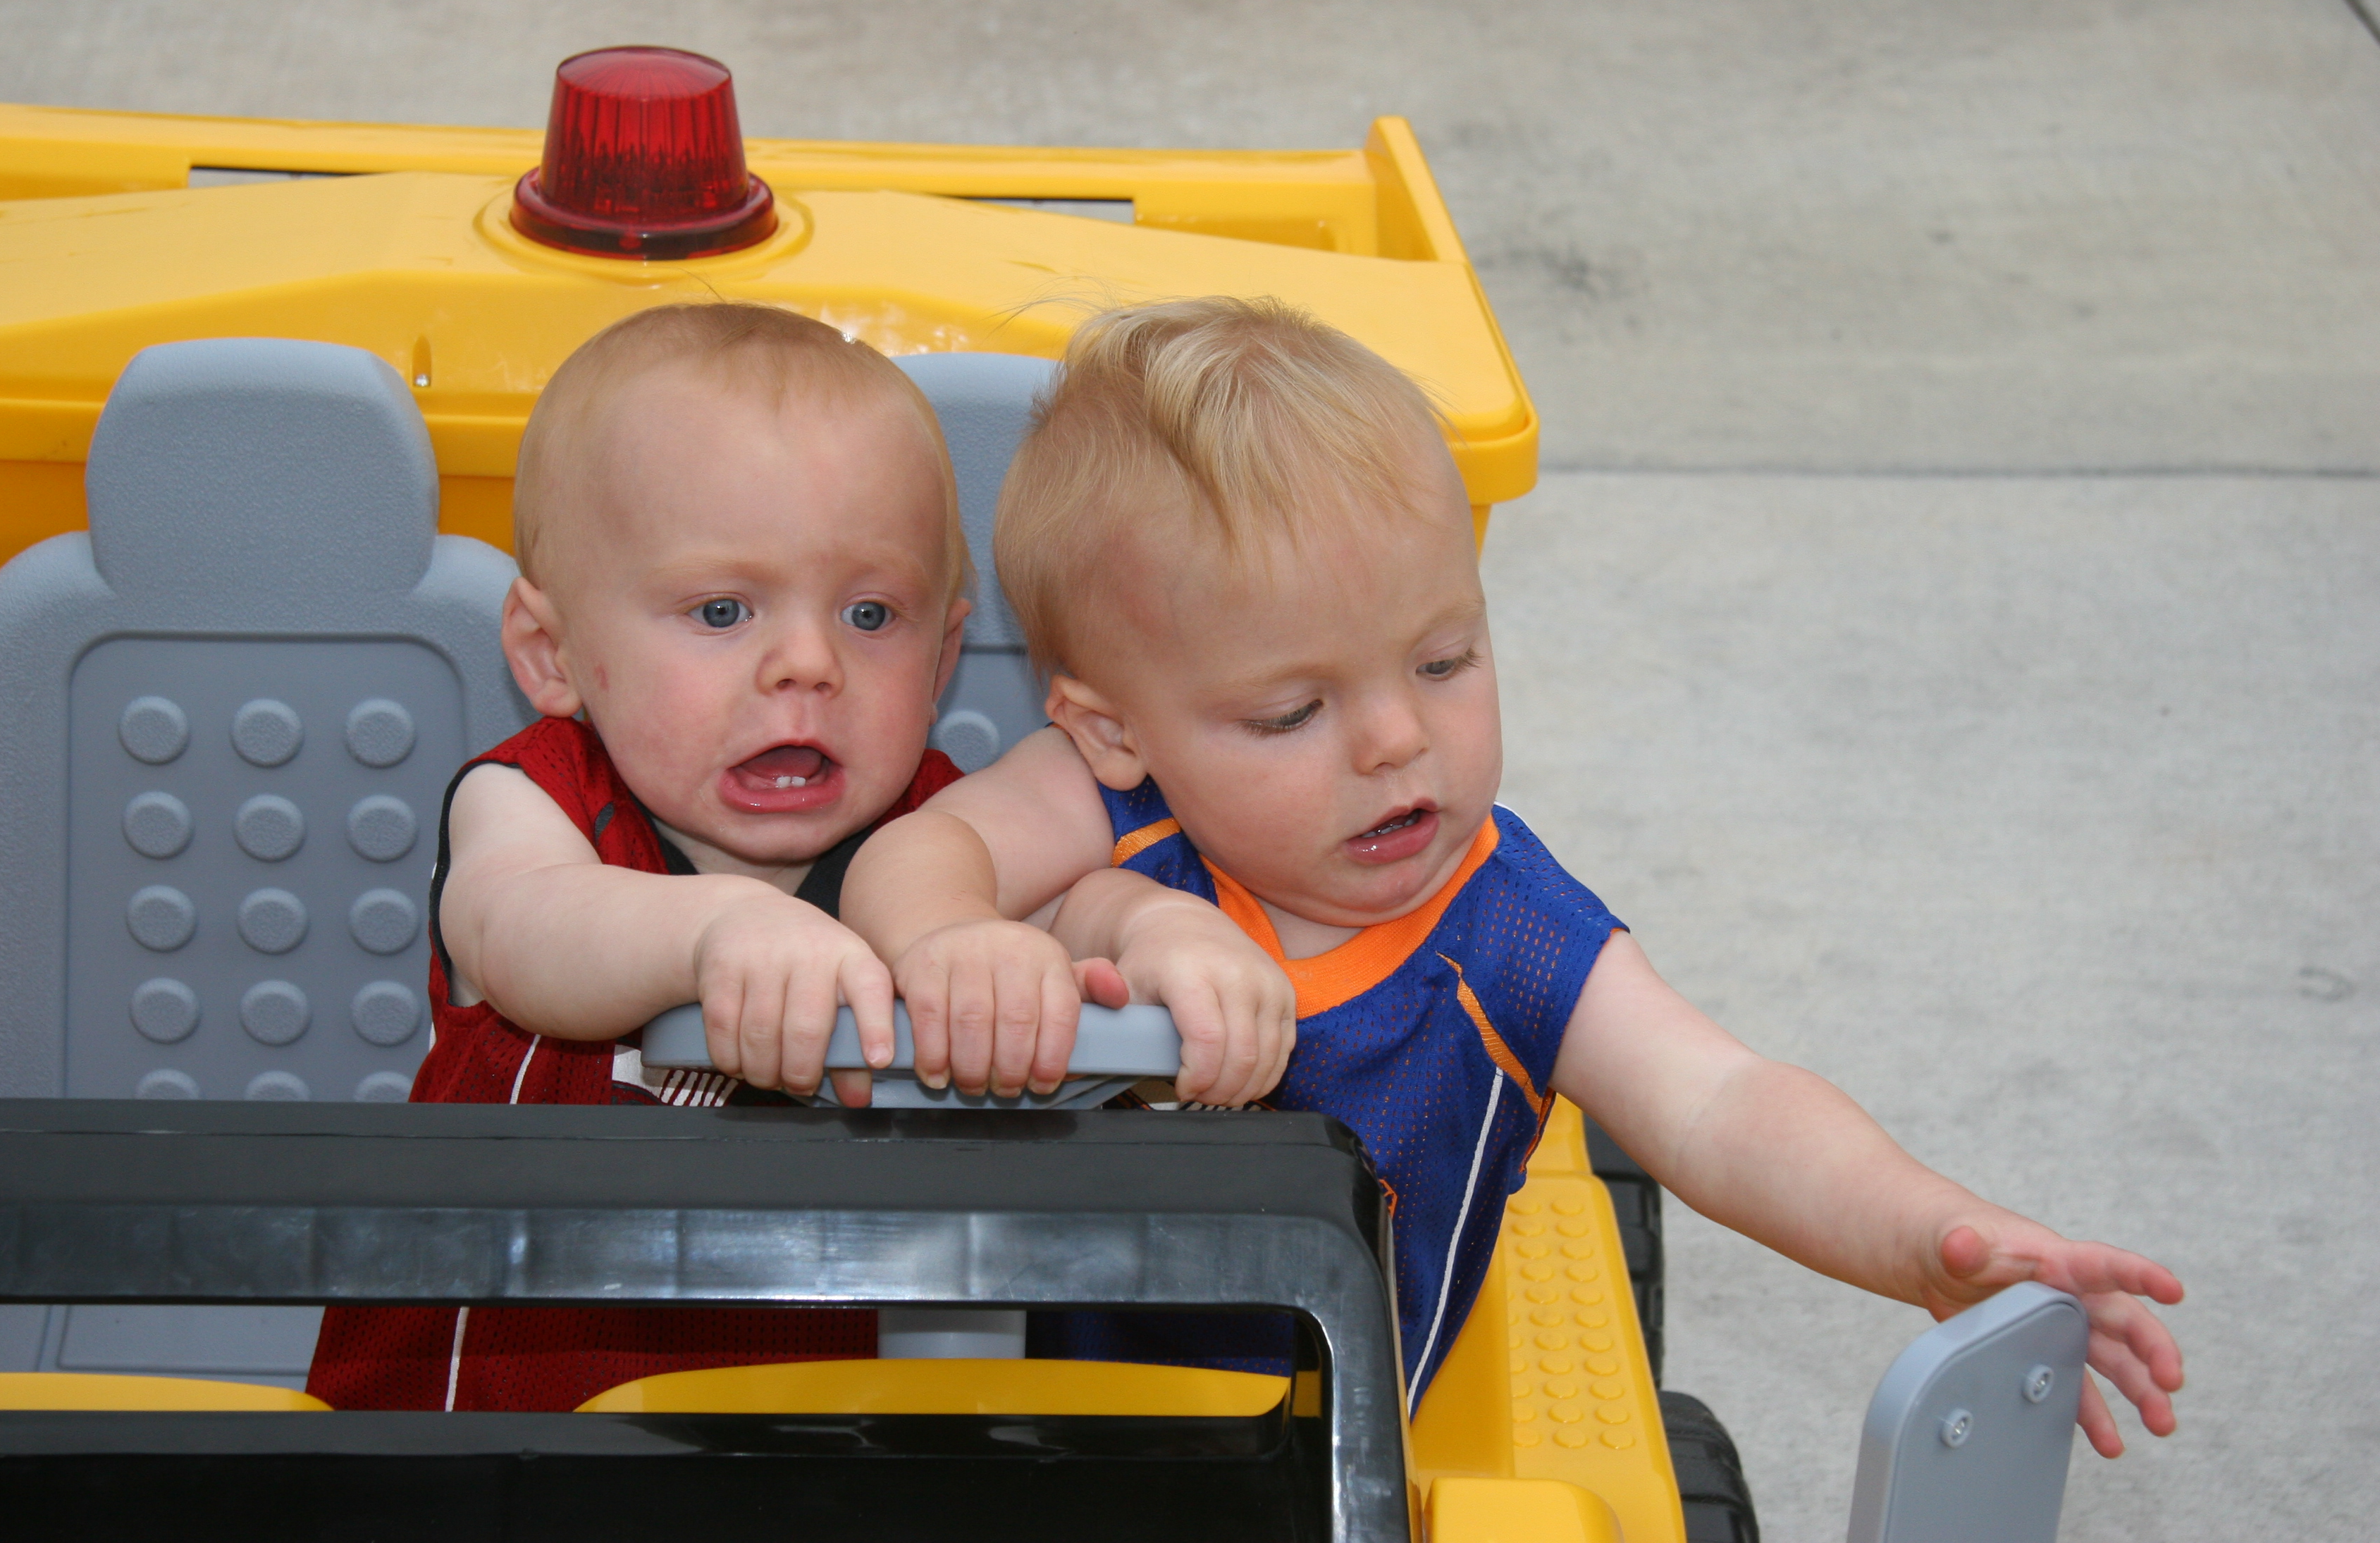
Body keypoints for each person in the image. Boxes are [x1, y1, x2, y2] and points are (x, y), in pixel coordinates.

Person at [842, 296, 2186, 1453]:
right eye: (1290, 713)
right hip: (1018, 1426)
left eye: (1443, 661)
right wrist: (959, 937)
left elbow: (1720, 1103)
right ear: (1112, 725)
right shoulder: (1109, 801)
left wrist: (1926, 1236)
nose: (1395, 739)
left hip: (1330, 1474)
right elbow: (920, 854)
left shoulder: (1506, 935)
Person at [311, 301, 983, 1410]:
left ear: (947, 651)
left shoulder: (939, 837)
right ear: (552, 651)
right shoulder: (535, 806)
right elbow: (524, 929)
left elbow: (1071, 914)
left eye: (872, 614)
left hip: (791, 1456)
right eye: (723, 609)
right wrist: (721, 932)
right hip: (480, 1454)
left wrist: (1146, 936)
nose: (808, 662)